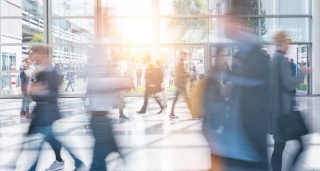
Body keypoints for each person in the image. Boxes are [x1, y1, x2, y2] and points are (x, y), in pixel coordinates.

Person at [21, 45, 84, 171]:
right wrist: (35, 92)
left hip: (47, 114)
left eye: (37, 53)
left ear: (44, 54)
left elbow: (53, 94)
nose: (35, 56)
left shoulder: (50, 71)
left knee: (39, 145)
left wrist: (39, 90)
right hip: (42, 113)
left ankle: (32, 168)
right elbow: (36, 94)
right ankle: (73, 161)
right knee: (52, 140)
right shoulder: (43, 71)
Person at [268, 31, 312, 171]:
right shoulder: (281, 59)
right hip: (284, 113)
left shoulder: (275, 59)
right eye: (287, 42)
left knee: (279, 148)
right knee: (299, 145)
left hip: (278, 112)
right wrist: (303, 73)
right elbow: (288, 84)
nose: (289, 45)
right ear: (282, 42)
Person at [87, 46, 124, 171]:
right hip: (99, 119)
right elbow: (99, 84)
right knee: (98, 162)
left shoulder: (102, 70)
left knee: (107, 153)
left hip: (103, 119)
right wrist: (118, 82)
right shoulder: (96, 70)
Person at [170, 51, 193, 119]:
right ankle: (193, 114)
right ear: (182, 56)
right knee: (187, 99)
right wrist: (188, 74)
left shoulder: (180, 62)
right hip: (181, 84)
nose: (186, 57)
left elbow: (180, 72)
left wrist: (186, 73)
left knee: (176, 99)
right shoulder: (181, 63)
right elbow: (180, 73)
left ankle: (171, 113)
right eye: (185, 56)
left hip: (179, 83)